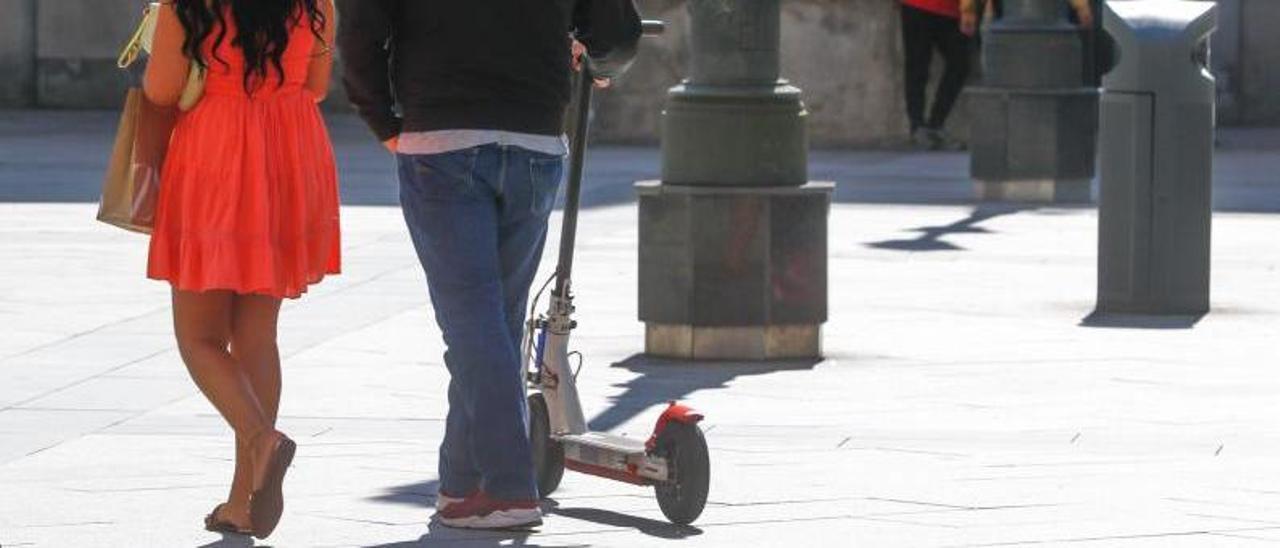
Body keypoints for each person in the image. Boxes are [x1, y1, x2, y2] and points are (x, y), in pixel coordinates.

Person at [337, 0, 641, 531]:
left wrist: (382, 120)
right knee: (491, 324)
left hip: (443, 139)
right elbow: (616, 31)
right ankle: (460, 483)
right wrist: (599, 63)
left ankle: (507, 488)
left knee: (475, 325)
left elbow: (360, 34)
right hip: (535, 139)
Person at [143, 0, 340, 539]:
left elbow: (162, 91)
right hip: (288, 154)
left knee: (199, 337)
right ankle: (242, 502)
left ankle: (261, 439)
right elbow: (316, 85)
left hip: (215, 154)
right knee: (256, 335)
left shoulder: (186, 7)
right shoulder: (315, 4)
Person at [899, 0, 975, 151]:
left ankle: (935, 125)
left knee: (960, 63)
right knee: (917, 65)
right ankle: (918, 126)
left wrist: (969, 10)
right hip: (918, 5)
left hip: (951, 10)